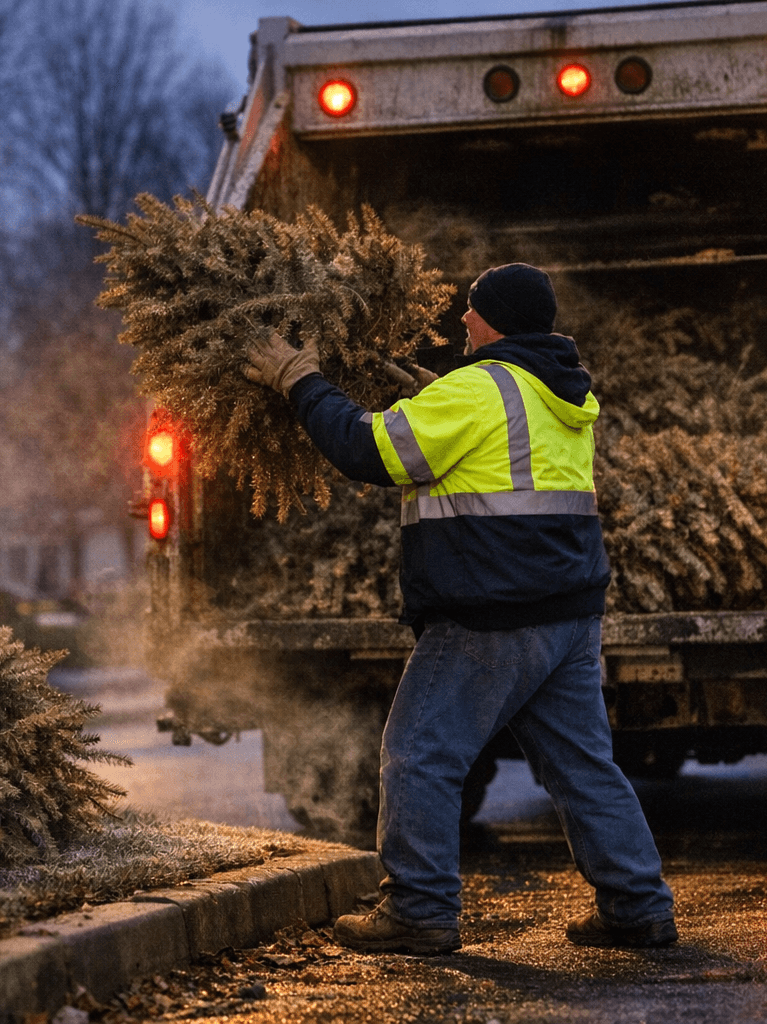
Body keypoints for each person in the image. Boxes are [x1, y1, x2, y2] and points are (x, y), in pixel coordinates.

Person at [243, 263, 675, 956]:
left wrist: (299, 378)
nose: (462, 323)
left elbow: (366, 449)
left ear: (497, 319)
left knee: (418, 754)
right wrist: (432, 409)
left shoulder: (479, 389)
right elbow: (483, 460)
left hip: (492, 612)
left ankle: (419, 911)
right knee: (584, 767)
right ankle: (638, 906)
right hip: (566, 616)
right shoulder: (556, 389)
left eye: (472, 311)